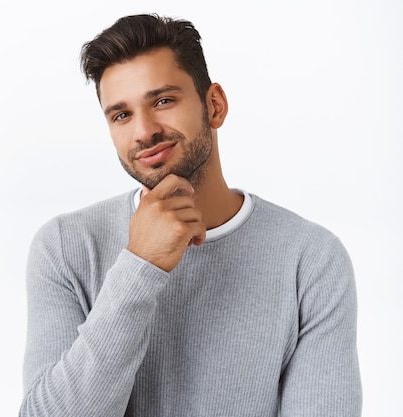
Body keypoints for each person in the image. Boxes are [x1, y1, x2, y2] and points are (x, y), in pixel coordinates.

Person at [19, 13, 361, 417]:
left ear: (214, 105)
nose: (143, 131)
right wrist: (140, 264)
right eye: (121, 115)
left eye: (163, 101)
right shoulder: (65, 247)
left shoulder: (311, 259)